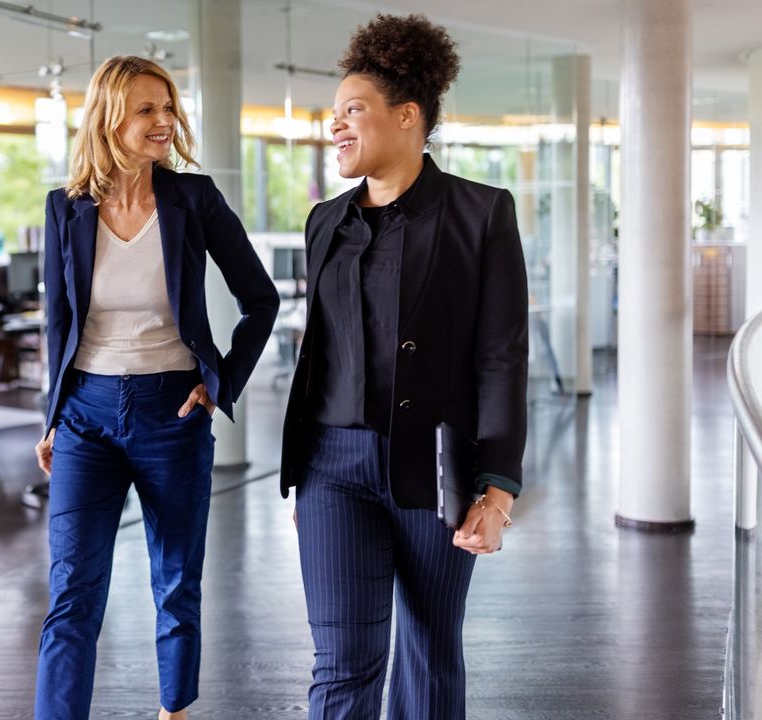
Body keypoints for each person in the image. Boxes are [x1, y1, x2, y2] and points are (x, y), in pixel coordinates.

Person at [278, 14, 528, 720]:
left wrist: (498, 489)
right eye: (334, 115)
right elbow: (319, 349)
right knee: (341, 662)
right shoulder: (325, 220)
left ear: (408, 116)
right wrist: (303, 474)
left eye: (352, 110)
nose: (336, 127)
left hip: (434, 466)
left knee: (427, 648)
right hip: (332, 469)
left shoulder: (481, 214)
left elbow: (502, 356)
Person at [34, 55, 279, 720]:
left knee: (175, 584)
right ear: (110, 117)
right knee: (73, 594)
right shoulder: (66, 209)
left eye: (168, 108)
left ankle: (175, 712)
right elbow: (59, 321)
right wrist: (51, 418)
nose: (164, 121)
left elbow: (262, 298)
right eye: (147, 109)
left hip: (172, 411)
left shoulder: (192, 200)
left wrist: (219, 382)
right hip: (85, 415)